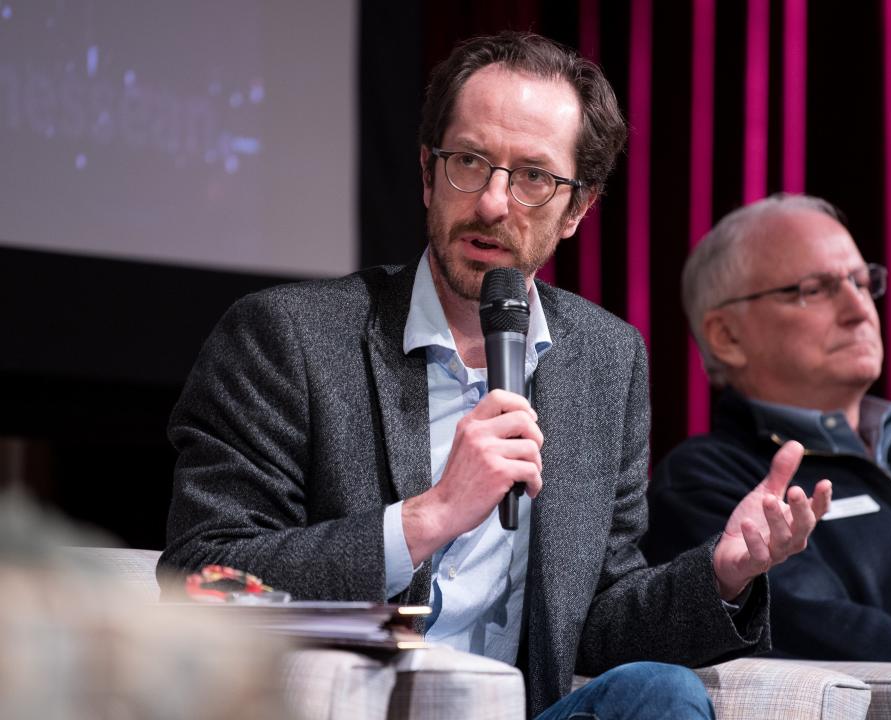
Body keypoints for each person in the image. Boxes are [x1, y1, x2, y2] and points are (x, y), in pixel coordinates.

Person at [159, 34, 830, 718]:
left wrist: (721, 575)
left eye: (534, 177)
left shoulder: (605, 359)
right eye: (468, 163)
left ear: (577, 211)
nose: (491, 203)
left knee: (660, 693)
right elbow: (202, 573)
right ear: (426, 173)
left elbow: (596, 623)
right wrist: (429, 517)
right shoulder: (289, 338)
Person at [645, 193, 891, 670]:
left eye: (861, 282)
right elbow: (820, 628)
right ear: (727, 336)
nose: (860, 310)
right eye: (815, 289)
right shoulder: (710, 481)